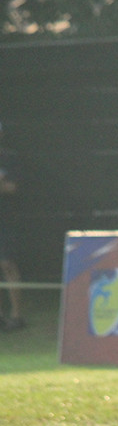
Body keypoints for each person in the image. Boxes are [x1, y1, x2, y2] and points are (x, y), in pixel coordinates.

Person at [0, 120, 25, 331]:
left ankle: (17, 317)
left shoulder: (10, 159)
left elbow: (11, 188)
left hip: (5, 220)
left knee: (7, 264)